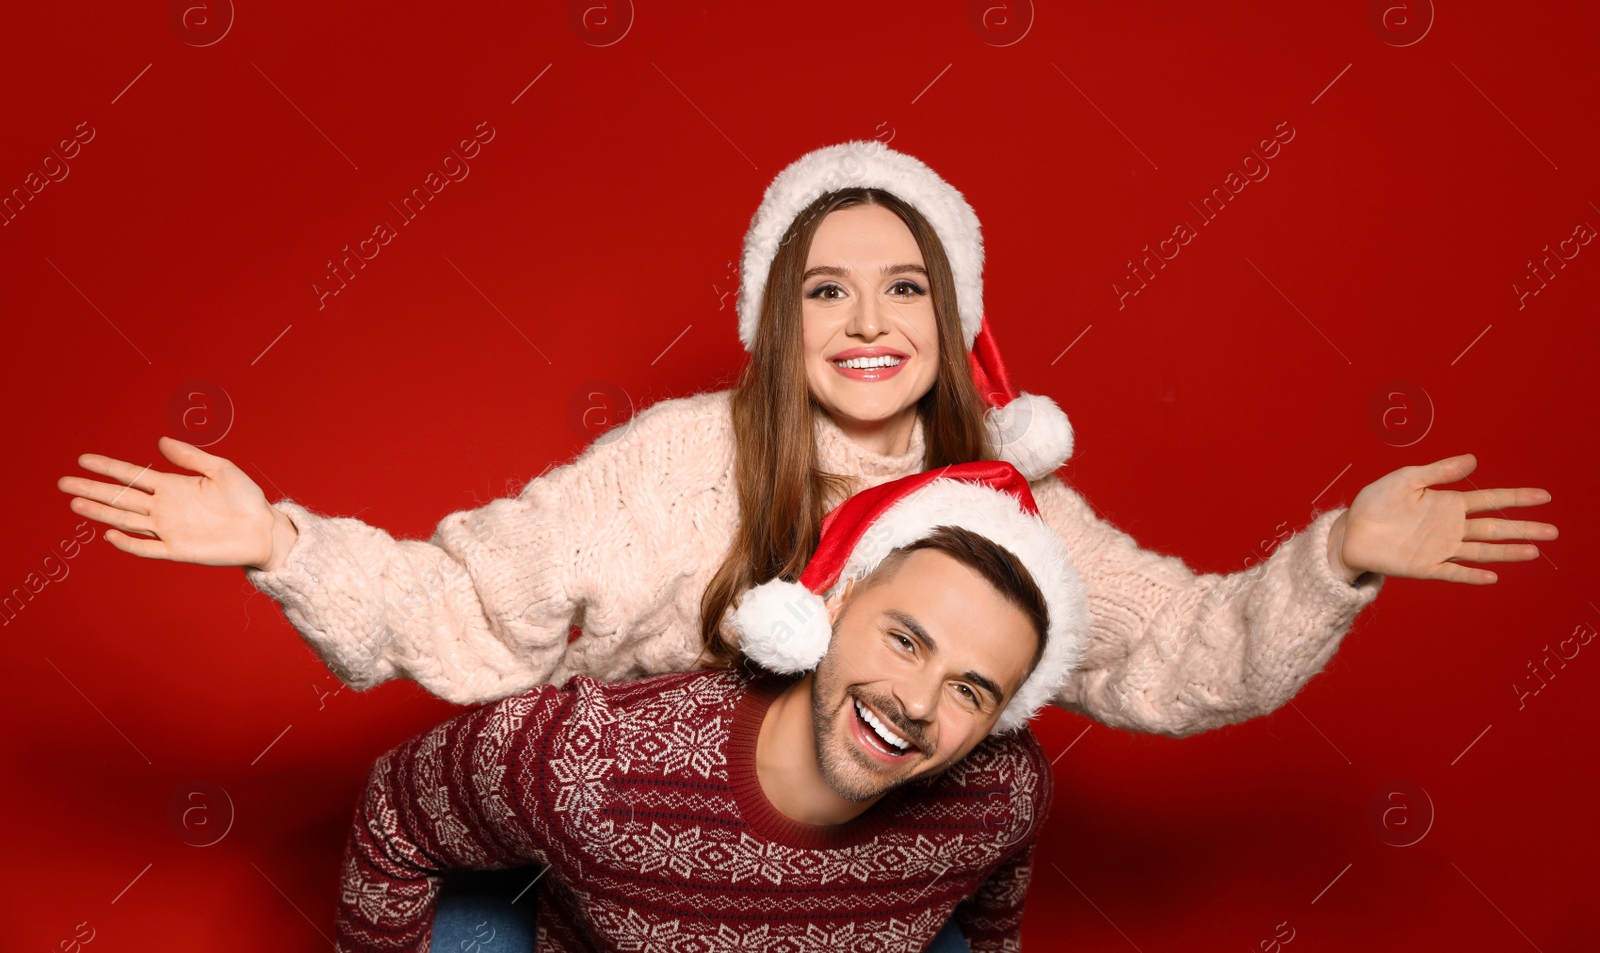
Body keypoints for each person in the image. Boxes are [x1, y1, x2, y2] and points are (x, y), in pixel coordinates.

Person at [59, 141, 1558, 945]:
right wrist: (282, 543)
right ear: (777, 315)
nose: (865, 323)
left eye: (902, 287)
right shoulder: (677, 462)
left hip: (839, 878)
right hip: (606, 847)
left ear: (956, 319)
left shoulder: (1005, 520)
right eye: (824, 288)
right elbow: (472, 604)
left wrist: (1337, 560)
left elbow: (1183, 655)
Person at [337, 463, 1086, 953]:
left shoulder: (1003, 792)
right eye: (905, 640)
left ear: (1002, 718)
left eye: (969, 690)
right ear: (837, 601)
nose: (919, 702)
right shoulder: (593, 759)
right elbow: (396, 813)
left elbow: (993, 913)